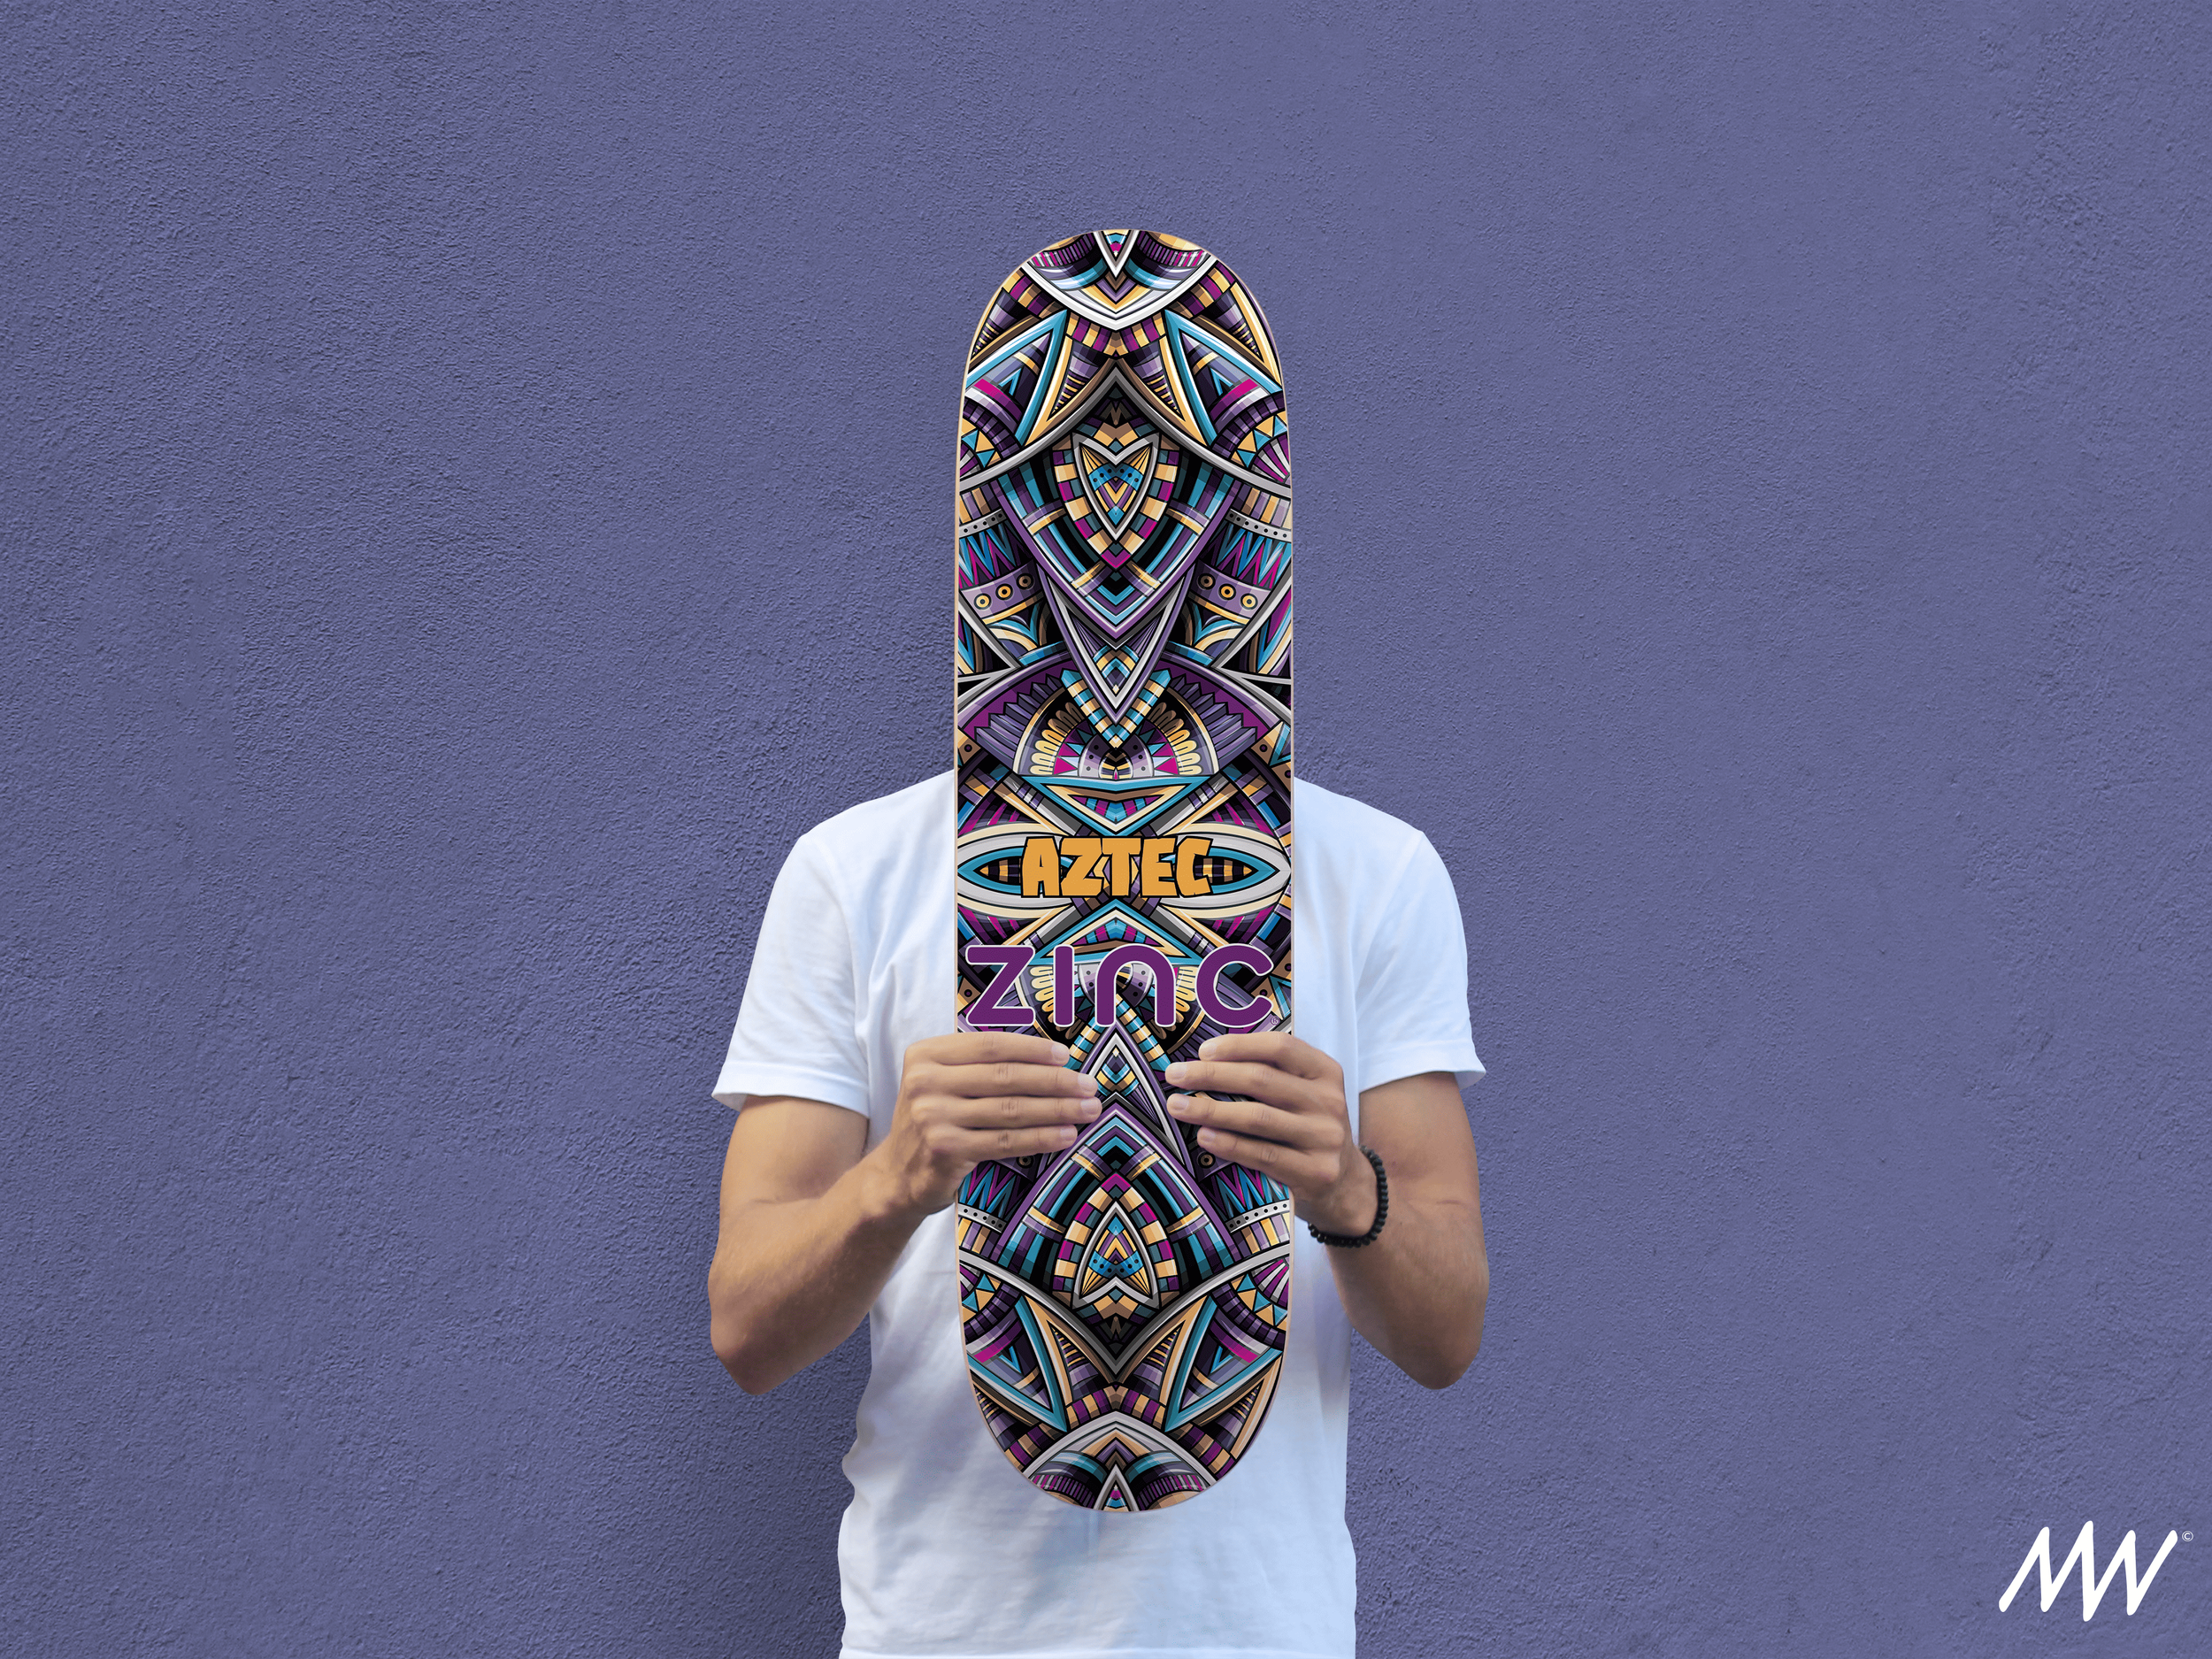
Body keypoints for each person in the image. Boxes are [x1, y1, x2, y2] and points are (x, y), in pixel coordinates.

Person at [706, 767, 1489, 1659]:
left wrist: (1347, 1188)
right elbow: (746, 1330)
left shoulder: (1377, 870)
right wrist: (891, 1182)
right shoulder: (853, 868)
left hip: (1255, 1632)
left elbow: (1447, 1336)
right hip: (940, 1631)